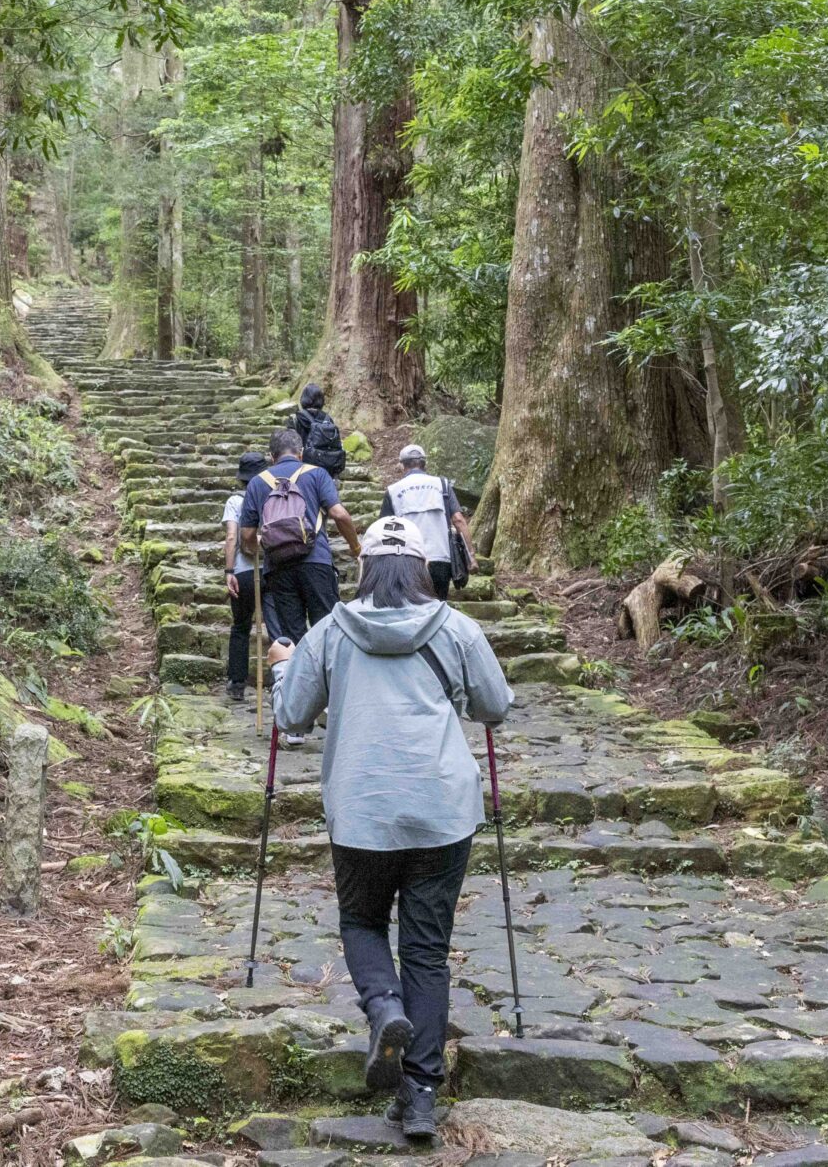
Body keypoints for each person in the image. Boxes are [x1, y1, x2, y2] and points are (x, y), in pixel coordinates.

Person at [267, 518, 513, 1143]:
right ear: (421, 568)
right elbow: (496, 707)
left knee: (362, 922)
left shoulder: (330, 633)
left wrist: (280, 668)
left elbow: (292, 716)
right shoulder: (457, 628)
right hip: (441, 811)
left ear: (366, 568)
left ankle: (384, 1009)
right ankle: (421, 1096)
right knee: (427, 949)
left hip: (362, 809)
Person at [239, 427, 360, 654]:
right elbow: (339, 515)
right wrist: (356, 548)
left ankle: (303, 684)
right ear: (301, 453)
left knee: (294, 637)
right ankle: (331, 685)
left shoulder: (257, 482)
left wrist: (263, 544)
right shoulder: (317, 474)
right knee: (327, 628)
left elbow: (246, 535)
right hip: (317, 561)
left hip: (278, 568)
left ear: (272, 457)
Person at [382, 445, 470, 601]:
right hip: (440, 558)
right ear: (424, 464)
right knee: (438, 605)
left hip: (409, 559)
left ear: (402, 465)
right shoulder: (442, 485)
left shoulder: (393, 490)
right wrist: (471, 556)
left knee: (412, 607)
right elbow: (458, 520)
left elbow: (385, 528)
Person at [220, 451, 268, 704]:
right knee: (280, 625)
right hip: (273, 569)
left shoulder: (235, 501)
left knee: (240, 625)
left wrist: (229, 571)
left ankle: (237, 683)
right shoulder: (275, 495)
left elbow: (231, 537)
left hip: (244, 571)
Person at [291, 382, 348, 480]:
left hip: (303, 469)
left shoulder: (297, 418)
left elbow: (290, 444)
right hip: (326, 469)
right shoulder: (328, 419)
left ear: (304, 398)